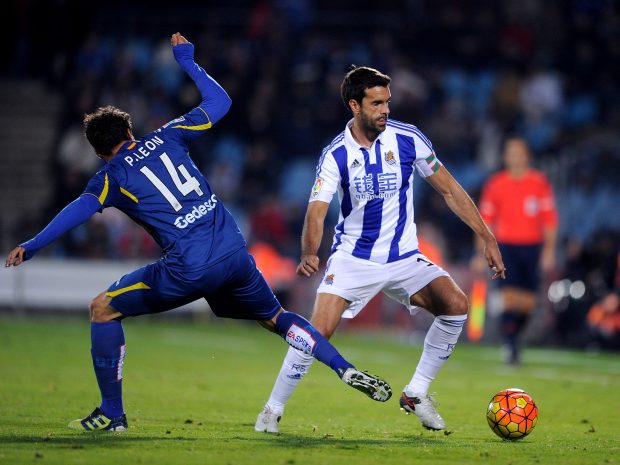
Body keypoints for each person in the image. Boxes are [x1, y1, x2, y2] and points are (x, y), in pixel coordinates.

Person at [4, 34, 392, 433]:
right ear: (130, 131)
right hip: (234, 254)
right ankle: (343, 368)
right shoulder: (170, 134)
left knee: (103, 308)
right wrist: (188, 62)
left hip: (189, 268)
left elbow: (76, 212)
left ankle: (112, 414)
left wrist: (32, 246)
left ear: (99, 151)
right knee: (277, 317)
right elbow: (221, 103)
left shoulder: (110, 176)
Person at [254, 66, 505, 434]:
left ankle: (417, 392)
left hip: (404, 258)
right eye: (376, 103)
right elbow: (317, 210)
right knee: (317, 331)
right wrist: (309, 251)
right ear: (355, 105)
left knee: (456, 305)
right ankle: (271, 411)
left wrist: (486, 235)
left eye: (387, 101)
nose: (385, 109)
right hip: (354, 259)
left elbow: (449, 188)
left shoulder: (408, 139)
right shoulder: (336, 154)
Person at [477, 137, 558, 365]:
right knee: (509, 297)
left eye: (519, 152)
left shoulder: (539, 182)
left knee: (529, 302)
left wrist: (549, 251)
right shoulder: (496, 184)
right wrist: (481, 251)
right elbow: (485, 221)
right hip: (506, 247)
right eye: (511, 153)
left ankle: (513, 337)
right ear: (505, 157)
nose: (515, 157)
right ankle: (510, 344)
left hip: (532, 247)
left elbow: (550, 220)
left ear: (527, 156)